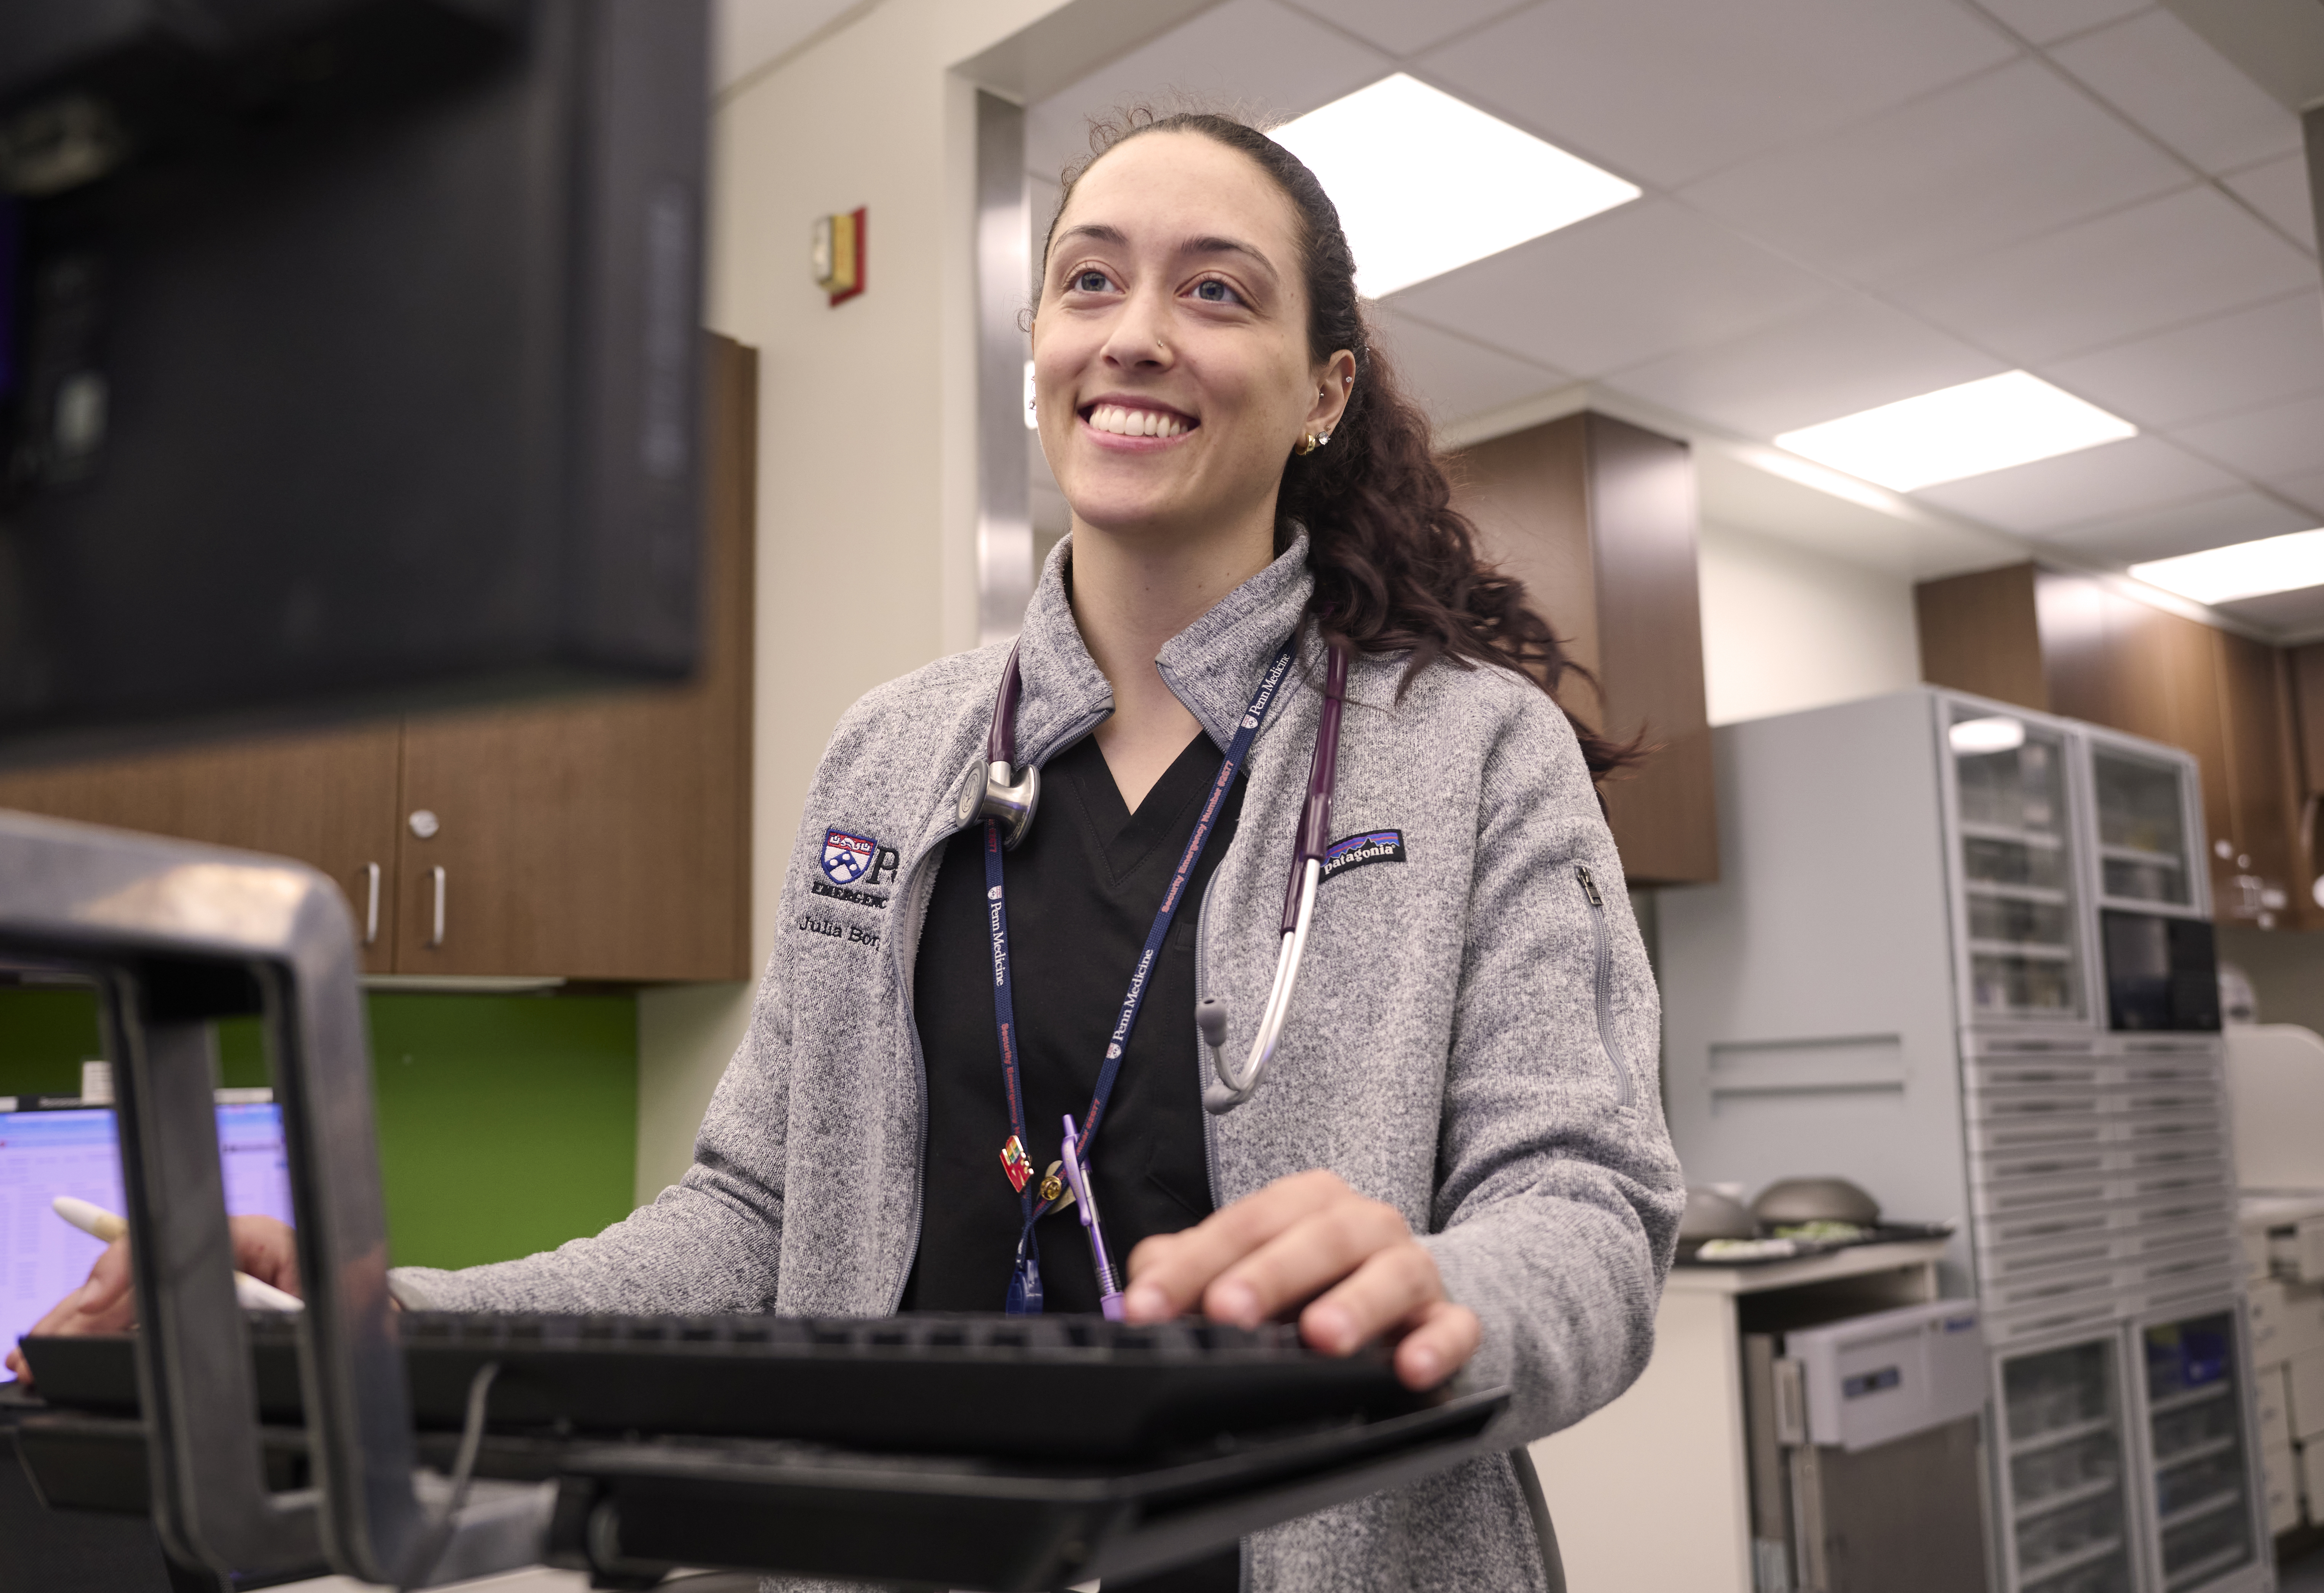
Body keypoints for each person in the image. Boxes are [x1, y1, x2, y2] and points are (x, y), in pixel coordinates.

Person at [11, 107, 1684, 1593]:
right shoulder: (893, 756)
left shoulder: (1468, 750)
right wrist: (404, 1313)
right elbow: (753, 1223)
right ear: (1037, 347)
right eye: (1090, 281)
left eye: (1218, 290)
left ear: (1325, 391)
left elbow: (1590, 1208)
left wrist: (1437, 1292)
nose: (1139, 334)